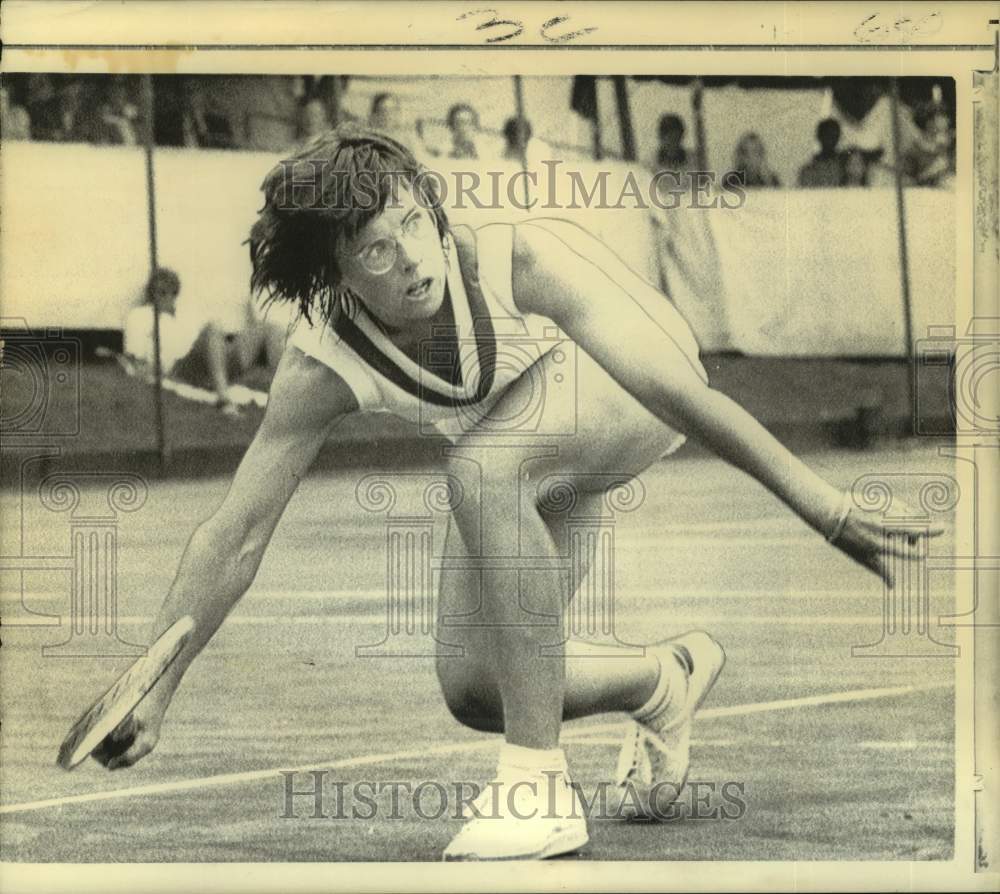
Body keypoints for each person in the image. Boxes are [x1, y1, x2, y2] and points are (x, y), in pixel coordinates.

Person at [97, 126, 938, 861]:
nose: (413, 260)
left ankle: (537, 791)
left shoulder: (514, 257)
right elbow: (234, 533)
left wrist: (819, 504)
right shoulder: (318, 365)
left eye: (414, 225)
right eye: (378, 252)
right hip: (520, 439)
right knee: (477, 689)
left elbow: (675, 391)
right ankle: (663, 679)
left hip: (628, 392)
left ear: (430, 208)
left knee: (483, 469)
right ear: (336, 273)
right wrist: (157, 689)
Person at [125, 268, 284, 415]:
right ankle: (224, 399)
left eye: (172, 292)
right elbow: (136, 359)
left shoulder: (185, 314)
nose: (167, 297)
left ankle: (286, 393)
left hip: (213, 364)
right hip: (181, 368)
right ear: (151, 294)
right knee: (213, 328)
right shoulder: (140, 316)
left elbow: (209, 342)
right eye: (161, 292)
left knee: (268, 328)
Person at [797, 118, 844, 188]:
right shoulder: (808, 170)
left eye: (835, 135)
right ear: (819, 136)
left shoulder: (845, 167)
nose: (831, 140)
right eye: (827, 135)